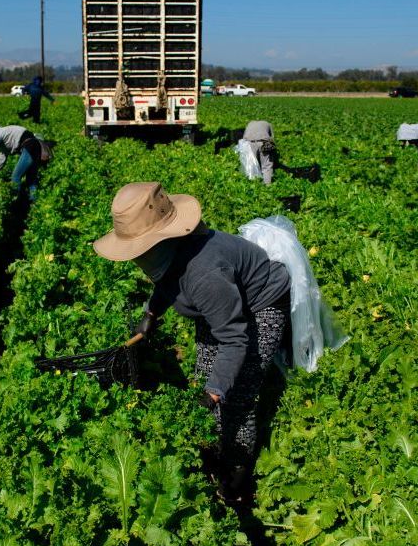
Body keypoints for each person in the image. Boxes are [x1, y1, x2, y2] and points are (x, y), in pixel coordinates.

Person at [93, 182, 293, 504]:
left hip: (261, 305)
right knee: (207, 372)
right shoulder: (174, 254)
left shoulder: (203, 274)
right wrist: (152, 312)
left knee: (237, 395)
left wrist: (214, 392)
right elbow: (170, 280)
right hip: (223, 303)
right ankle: (212, 439)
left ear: (160, 241)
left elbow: (235, 338)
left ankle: (236, 474)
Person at [0, 124, 53, 200]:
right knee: (31, 180)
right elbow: (1, 159)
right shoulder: (3, 137)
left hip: (30, 146)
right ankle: (34, 203)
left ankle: (16, 201)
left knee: (15, 177)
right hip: (35, 146)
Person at [242, 120, 277, 184]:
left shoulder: (250, 123)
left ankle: (252, 184)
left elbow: (244, 137)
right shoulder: (268, 123)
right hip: (263, 143)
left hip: (249, 143)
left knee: (251, 164)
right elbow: (272, 138)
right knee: (267, 165)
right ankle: (267, 185)